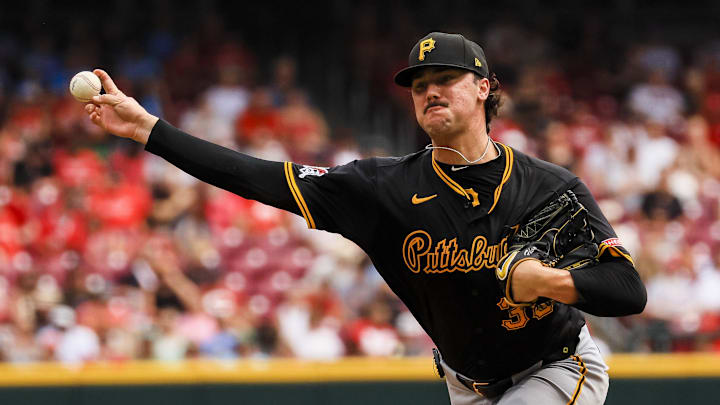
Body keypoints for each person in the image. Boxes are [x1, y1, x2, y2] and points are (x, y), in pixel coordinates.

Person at [84, 32, 646, 404]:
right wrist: (148, 131)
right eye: (419, 86)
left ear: (483, 89)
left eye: (444, 80)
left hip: (555, 366)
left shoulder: (549, 187)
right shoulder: (384, 189)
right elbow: (257, 176)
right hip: (468, 385)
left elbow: (627, 289)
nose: (429, 92)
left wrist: (548, 281)